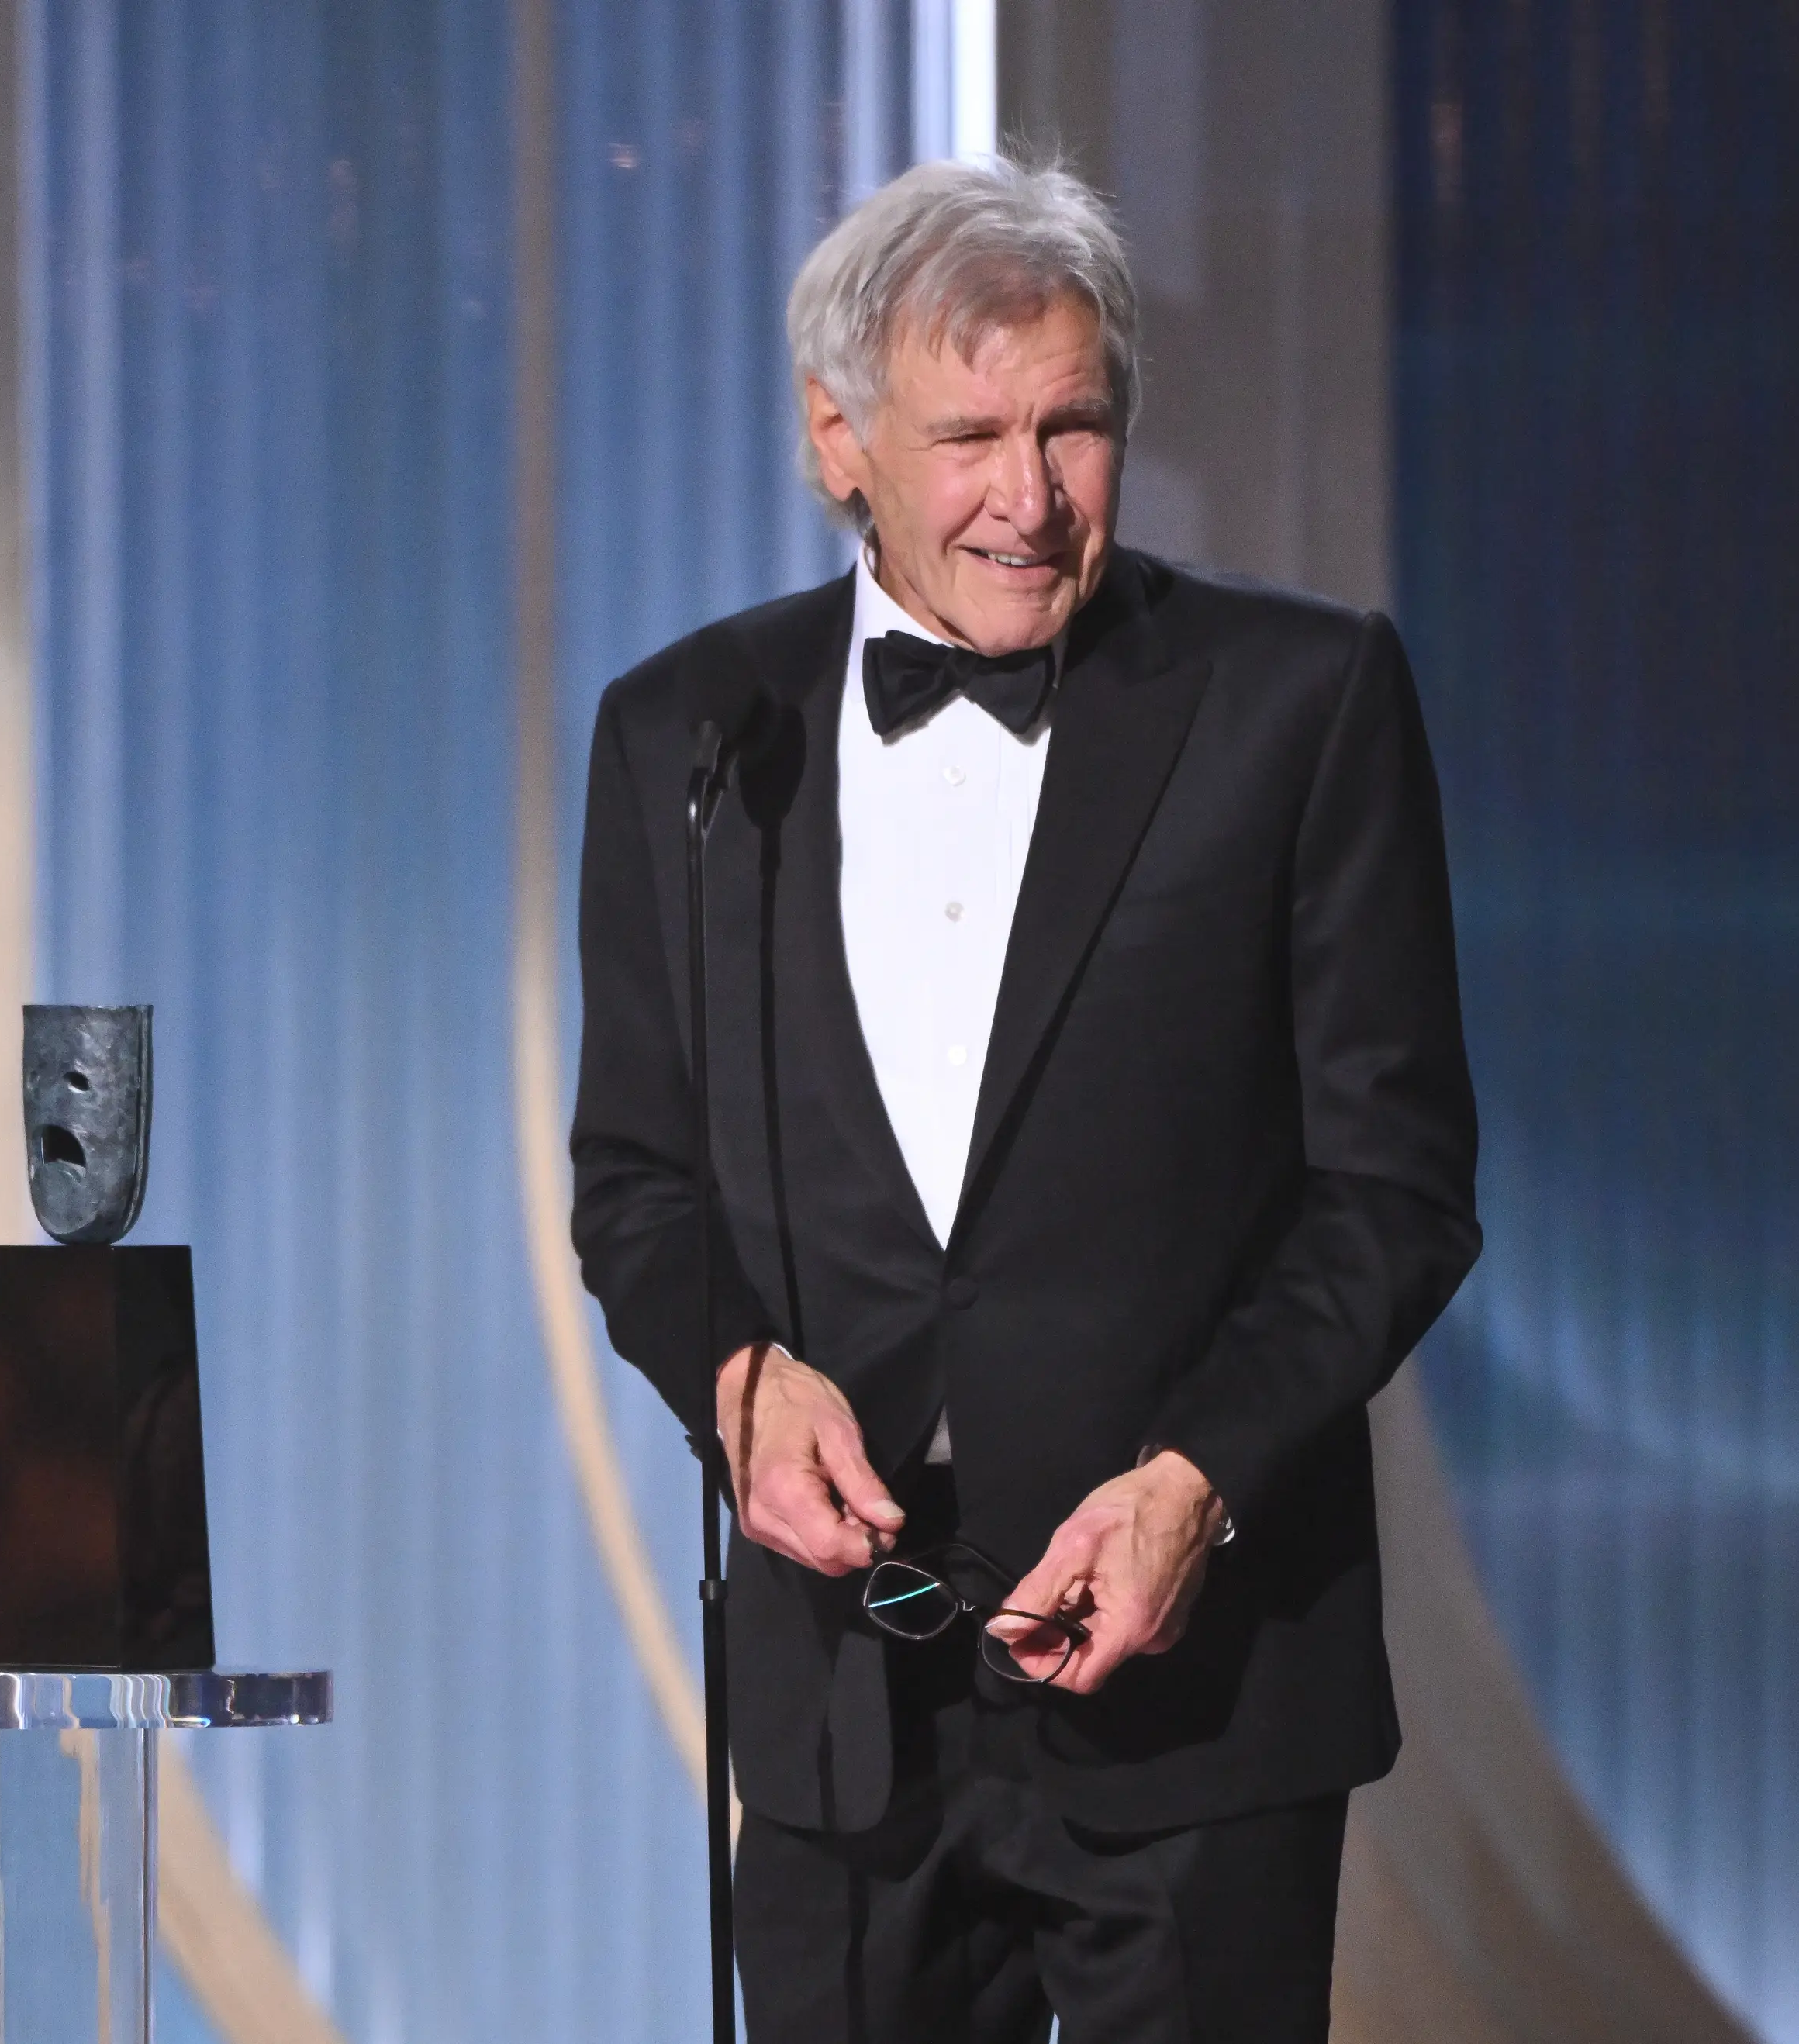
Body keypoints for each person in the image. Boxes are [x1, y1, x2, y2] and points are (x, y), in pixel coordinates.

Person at [568, 155, 1480, 2043]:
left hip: (1195, 1681)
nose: (1030, 492)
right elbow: (637, 1183)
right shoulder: (691, 740)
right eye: (969, 431)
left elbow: (1392, 1189)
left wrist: (1196, 1484)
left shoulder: (1302, 700)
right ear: (839, 440)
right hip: (842, 1715)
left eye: (1074, 425)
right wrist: (739, 1380)